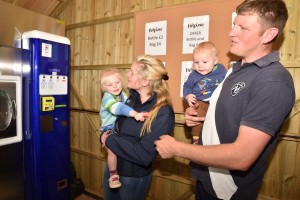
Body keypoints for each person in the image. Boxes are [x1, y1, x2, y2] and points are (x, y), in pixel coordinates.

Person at [155, 0, 295, 200]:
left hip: (228, 192)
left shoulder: (273, 81)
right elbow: (229, 118)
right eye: (234, 24)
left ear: (269, 34)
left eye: (243, 28)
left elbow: (242, 157)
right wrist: (201, 118)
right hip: (207, 180)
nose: (231, 32)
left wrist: (177, 148)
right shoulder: (234, 70)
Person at [101, 55, 175, 200]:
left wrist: (108, 140)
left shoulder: (163, 112)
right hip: (113, 171)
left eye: (132, 72)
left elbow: (144, 155)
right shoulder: (129, 99)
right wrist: (103, 135)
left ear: (145, 81)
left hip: (133, 177)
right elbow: (113, 124)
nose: (127, 74)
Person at [99, 68, 147, 189]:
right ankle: (113, 175)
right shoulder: (107, 98)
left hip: (118, 127)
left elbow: (127, 104)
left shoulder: (123, 95)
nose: (115, 86)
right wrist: (135, 114)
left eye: (117, 82)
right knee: (112, 151)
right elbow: (119, 108)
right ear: (104, 88)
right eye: (110, 85)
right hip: (109, 128)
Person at [183, 42, 227, 144]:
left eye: (205, 62)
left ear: (215, 60)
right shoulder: (193, 75)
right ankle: (196, 138)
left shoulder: (221, 70)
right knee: (196, 116)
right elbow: (187, 86)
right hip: (200, 101)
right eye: (196, 62)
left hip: (217, 102)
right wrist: (188, 95)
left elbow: (227, 82)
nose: (200, 66)